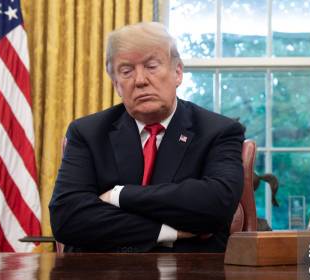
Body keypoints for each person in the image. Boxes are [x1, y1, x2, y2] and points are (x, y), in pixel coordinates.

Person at [49, 22, 244, 253]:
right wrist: (168, 232)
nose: (140, 80)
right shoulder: (87, 132)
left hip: (190, 279)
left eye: (151, 66)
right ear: (116, 85)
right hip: (101, 279)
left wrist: (118, 195)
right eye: (126, 71)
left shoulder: (218, 131)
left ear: (178, 73)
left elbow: (216, 205)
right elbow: (67, 218)